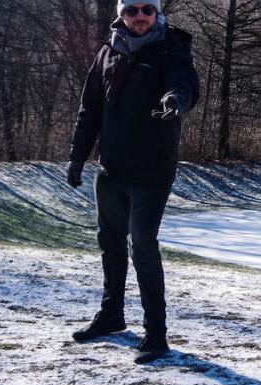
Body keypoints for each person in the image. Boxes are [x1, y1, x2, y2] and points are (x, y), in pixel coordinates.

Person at [65, 0, 199, 364]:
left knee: (142, 244)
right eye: (132, 10)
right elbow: (89, 108)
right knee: (109, 241)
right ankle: (111, 316)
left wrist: (176, 99)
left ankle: (156, 335)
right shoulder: (107, 53)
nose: (139, 16)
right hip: (110, 169)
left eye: (146, 10)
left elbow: (184, 83)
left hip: (151, 171)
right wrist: (78, 157)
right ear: (121, 15)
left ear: (156, 14)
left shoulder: (171, 48)